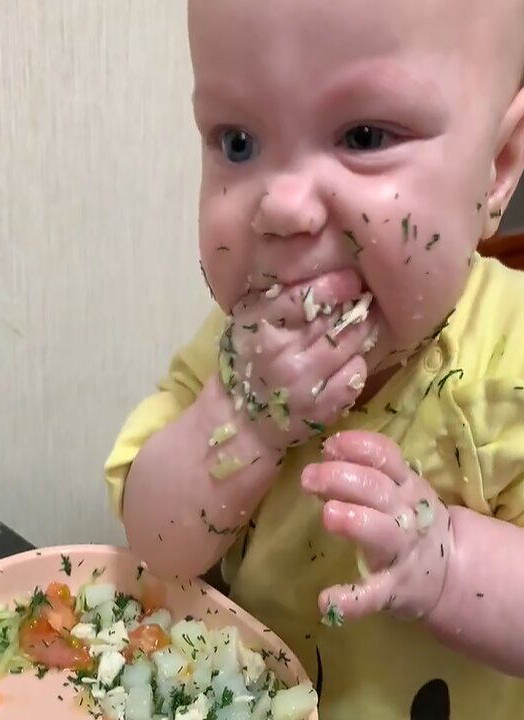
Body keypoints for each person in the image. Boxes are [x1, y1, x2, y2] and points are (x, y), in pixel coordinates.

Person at [104, 0, 524, 716]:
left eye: (363, 135)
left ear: (497, 167)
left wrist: (447, 564)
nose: (282, 204)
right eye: (237, 143)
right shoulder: (233, 354)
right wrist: (243, 420)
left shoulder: (506, 372)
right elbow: (156, 543)